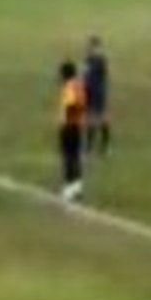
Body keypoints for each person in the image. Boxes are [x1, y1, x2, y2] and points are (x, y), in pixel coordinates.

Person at [58, 61, 87, 202]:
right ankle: (77, 187)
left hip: (70, 126)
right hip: (78, 125)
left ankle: (69, 188)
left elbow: (71, 105)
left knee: (68, 157)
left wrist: (66, 122)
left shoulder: (69, 87)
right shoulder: (79, 85)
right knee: (75, 157)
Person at [83, 36, 111, 155]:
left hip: (98, 92)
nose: (91, 49)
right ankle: (90, 146)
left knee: (99, 117)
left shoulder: (100, 60)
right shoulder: (89, 59)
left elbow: (99, 76)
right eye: (90, 47)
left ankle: (104, 146)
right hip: (90, 91)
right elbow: (85, 75)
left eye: (93, 47)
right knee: (90, 118)